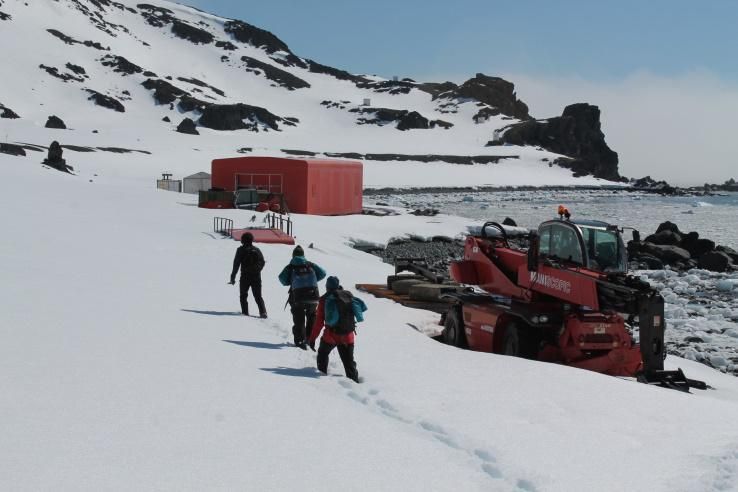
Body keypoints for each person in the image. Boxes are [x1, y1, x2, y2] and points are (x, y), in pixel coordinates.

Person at [308, 276, 367, 383]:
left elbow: (318, 323)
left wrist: (312, 339)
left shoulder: (324, 299)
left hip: (331, 336)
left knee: (322, 354)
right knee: (349, 363)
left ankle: (322, 377)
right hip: (348, 335)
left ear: (327, 287)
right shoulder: (348, 295)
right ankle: (355, 384)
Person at [278, 245, 326, 349]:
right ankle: (309, 339)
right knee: (312, 317)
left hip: (297, 297)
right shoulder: (310, 265)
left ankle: (300, 341)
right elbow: (323, 273)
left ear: (293, 255)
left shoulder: (290, 267)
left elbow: (282, 280)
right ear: (303, 255)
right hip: (313, 296)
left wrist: (291, 281)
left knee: (299, 319)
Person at [229, 232, 267, 318]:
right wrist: (257, 270)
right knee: (258, 296)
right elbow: (262, 262)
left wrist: (232, 277)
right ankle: (263, 312)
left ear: (243, 240)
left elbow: (236, 264)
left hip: (245, 276)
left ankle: (245, 313)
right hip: (256, 276)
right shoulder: (257, 250)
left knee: (243, 295)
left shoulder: (240, 250)